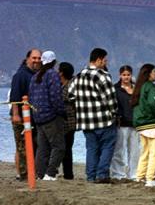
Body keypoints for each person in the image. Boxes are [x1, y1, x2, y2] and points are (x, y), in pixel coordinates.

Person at [67, 47, 117, 184]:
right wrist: (114, 113)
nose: (106, 63)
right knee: (107, 147)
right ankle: (102, 175)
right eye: (105, 60)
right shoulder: (103, 76)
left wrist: (81, 106)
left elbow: (70, 95)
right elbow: (111, 99)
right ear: (99, 60)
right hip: (104, 120)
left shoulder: (78, 76)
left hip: (86, 121)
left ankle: (91, 176)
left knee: (91, 149)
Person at [28, 50, 66, 182]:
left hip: (38, 117)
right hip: (51, 117)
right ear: (54, 62)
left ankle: (40, 173)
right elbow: (55, 97)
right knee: (59, 146)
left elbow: (31, 98)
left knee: (42, 148)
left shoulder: (34, 77)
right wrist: (62, 112)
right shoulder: (53, 75)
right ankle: (50, 173)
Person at [132, 63, 155, 187]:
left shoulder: (140, 87)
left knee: (145, 151)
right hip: (153, 123)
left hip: (142, 124)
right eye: (154, 71)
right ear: (148, 74)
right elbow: (154, 105)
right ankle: (151, 178)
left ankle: (140, 176)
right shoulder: (151, 88)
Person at [8, 48, 40, 181]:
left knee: (33, 146)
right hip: (21, 117)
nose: (36, 61)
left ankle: (31, 171)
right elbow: (15, 96)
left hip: (34, 117)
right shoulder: (20, 75)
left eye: (39, 58)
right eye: (34, 58)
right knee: (22, 146)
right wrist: (16, 114)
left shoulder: (37, 74)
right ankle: (22, 174)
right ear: (27, 59)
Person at [111, 65, 139, 181]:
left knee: (135, 151)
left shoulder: (136, 88)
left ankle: (133, 174)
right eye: (124, 75)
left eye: (128, 74)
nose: (126, 77)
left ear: (131, 75)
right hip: (121, 123)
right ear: (120, 75)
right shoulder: (115, 88)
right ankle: (118, 174)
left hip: (134, 123)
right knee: (119, 150)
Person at [58, 61, 77, 180]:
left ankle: (68, 173)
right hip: (68, 121)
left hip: (68, 121)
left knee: (66, 148)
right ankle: (67, 173)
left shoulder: (69, 86)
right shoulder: (67, 84)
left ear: (62, 73)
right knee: (66, 147)